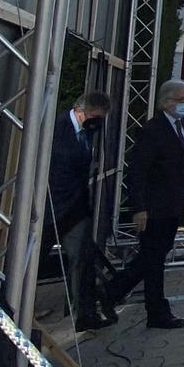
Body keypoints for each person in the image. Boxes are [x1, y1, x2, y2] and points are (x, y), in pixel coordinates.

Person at [103, 80, 184, 330]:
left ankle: (112, 293)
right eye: (183, 100)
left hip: (173, 206)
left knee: (151, 258)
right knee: (152, 260)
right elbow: (138, 172)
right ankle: (154, 310)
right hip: (155, 208)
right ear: (167, 102)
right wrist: (139, 207)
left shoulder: (180, 127)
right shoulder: (153, 130)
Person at [49, 90, 113, 332]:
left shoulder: (87, 133)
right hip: (51, 207)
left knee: (82, 260)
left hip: (76, 208)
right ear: (81, 110)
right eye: (95, 116)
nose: (98, 123)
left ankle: (85, 313)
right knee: (36, 258)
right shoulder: (59, 128)